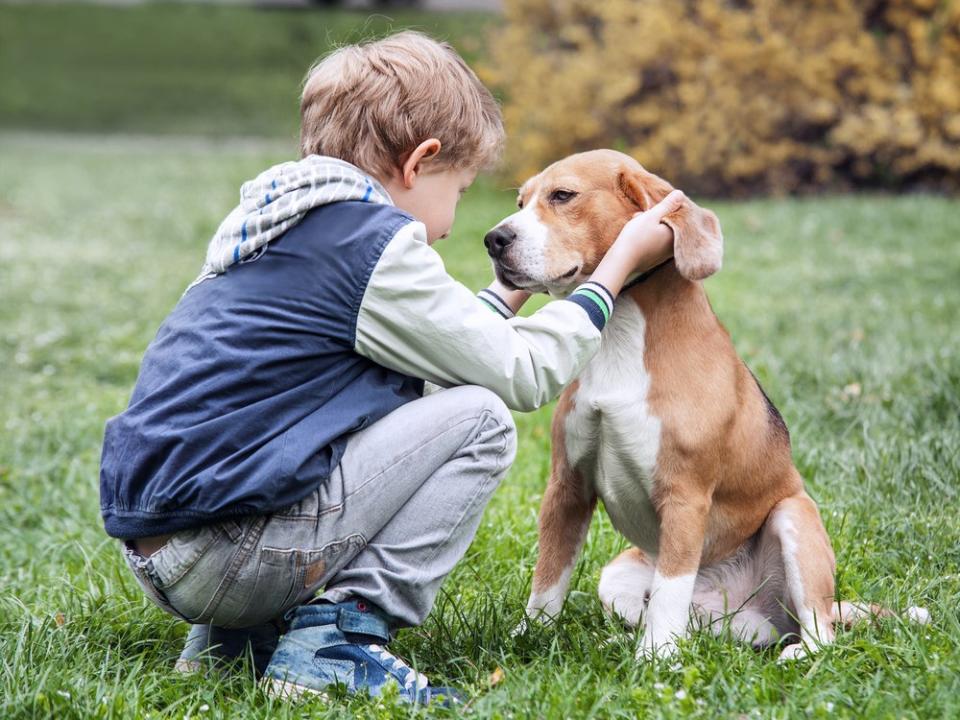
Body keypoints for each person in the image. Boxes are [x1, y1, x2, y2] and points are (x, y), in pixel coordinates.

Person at [99, 30, 680, 705]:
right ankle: (337, 642)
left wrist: (510, 291)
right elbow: (520, 374)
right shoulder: (371, 246)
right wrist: (612, 272)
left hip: (162, 551)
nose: (448, 224)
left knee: (384, 411)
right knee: (482, 421)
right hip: (235, 556)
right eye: (459, 191)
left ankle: (230, 646)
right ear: (419, 163)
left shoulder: (274, 226)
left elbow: (440, 355)